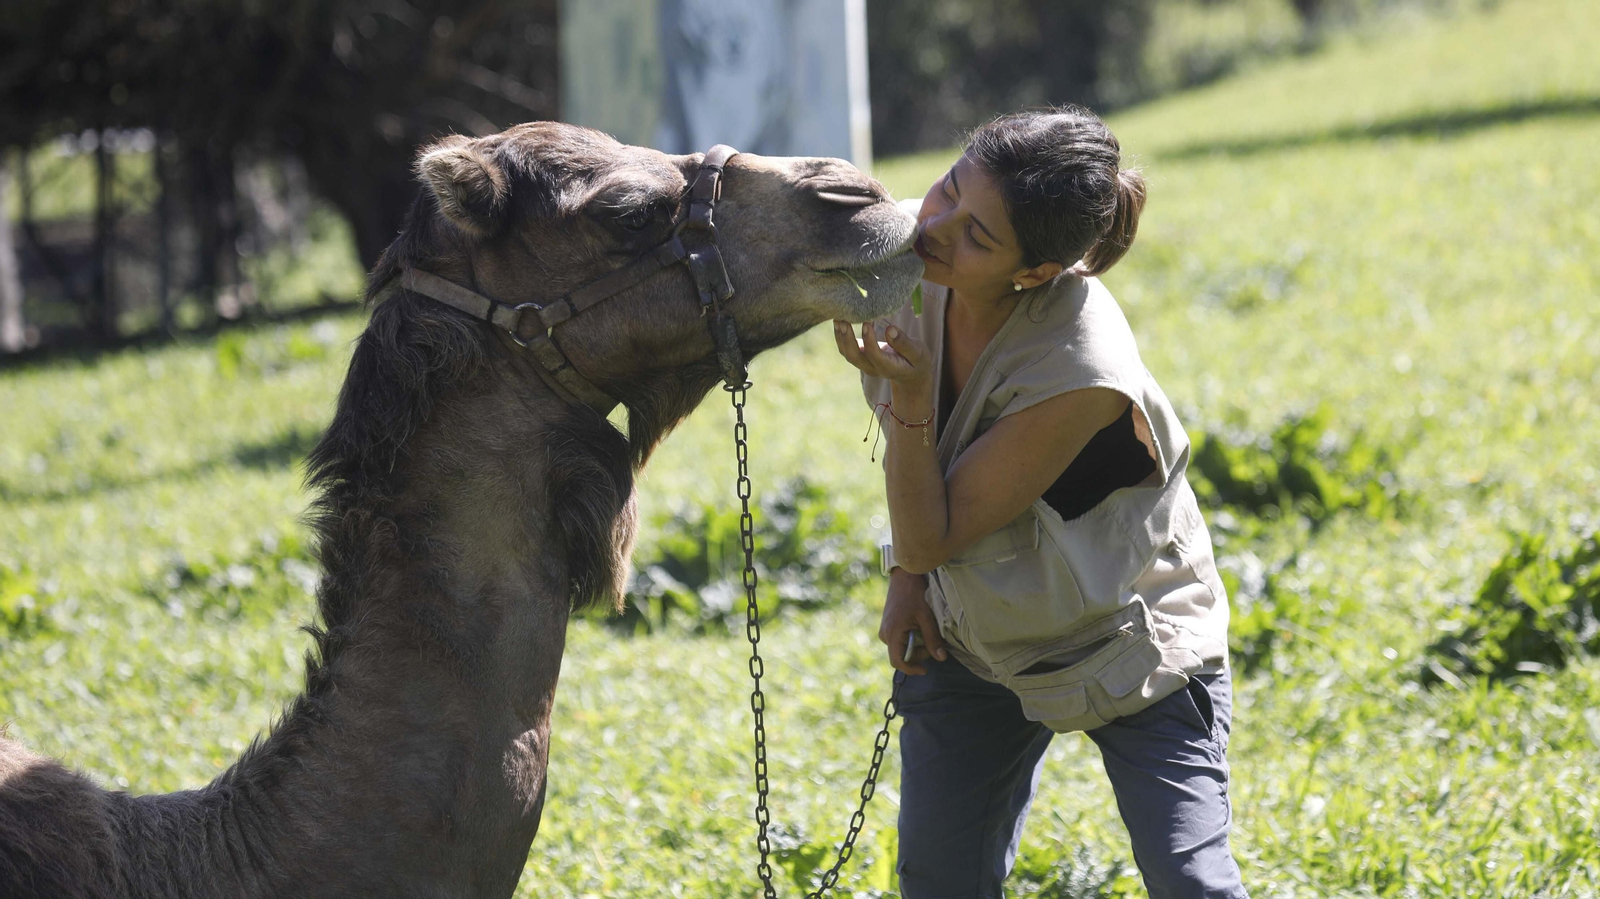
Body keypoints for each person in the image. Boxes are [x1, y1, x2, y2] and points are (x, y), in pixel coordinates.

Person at [833, 107, 1246, 899]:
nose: (938, 227)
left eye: (979, 235)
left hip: (1133, 638)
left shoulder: (1080, 370)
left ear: (1034, 274)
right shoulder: (915, 274)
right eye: (949, 187)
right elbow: (931, 486)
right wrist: (908, 584)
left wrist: (912, 404)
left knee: (1191, 879)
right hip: (979, 637)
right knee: (940, 883)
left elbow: (932, 529)